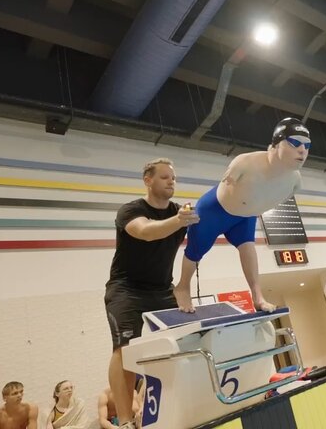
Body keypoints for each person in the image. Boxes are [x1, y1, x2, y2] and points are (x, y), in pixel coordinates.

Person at [174, 117, 311, 313]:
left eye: (307, 146)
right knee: (196, 251)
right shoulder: (245, 163)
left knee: (249, 250)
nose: (302, 150)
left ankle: (258, 297)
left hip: (246, 217)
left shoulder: (295, 182)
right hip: (215, 211)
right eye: (295, 143)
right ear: (275, 144)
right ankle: (183, 287)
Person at [104, 158, 199, 429]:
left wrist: (183, 285)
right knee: (125, 349)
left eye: (174, 178)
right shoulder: (131, 210)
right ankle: (124, 421)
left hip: (163, 289)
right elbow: (145, 232)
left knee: (184, 342)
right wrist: (179, 220)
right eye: (165, 177)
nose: (172, 181)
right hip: (126, 289)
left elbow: (205, 235)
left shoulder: (181, 212)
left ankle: (179, 405)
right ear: (148, 180)